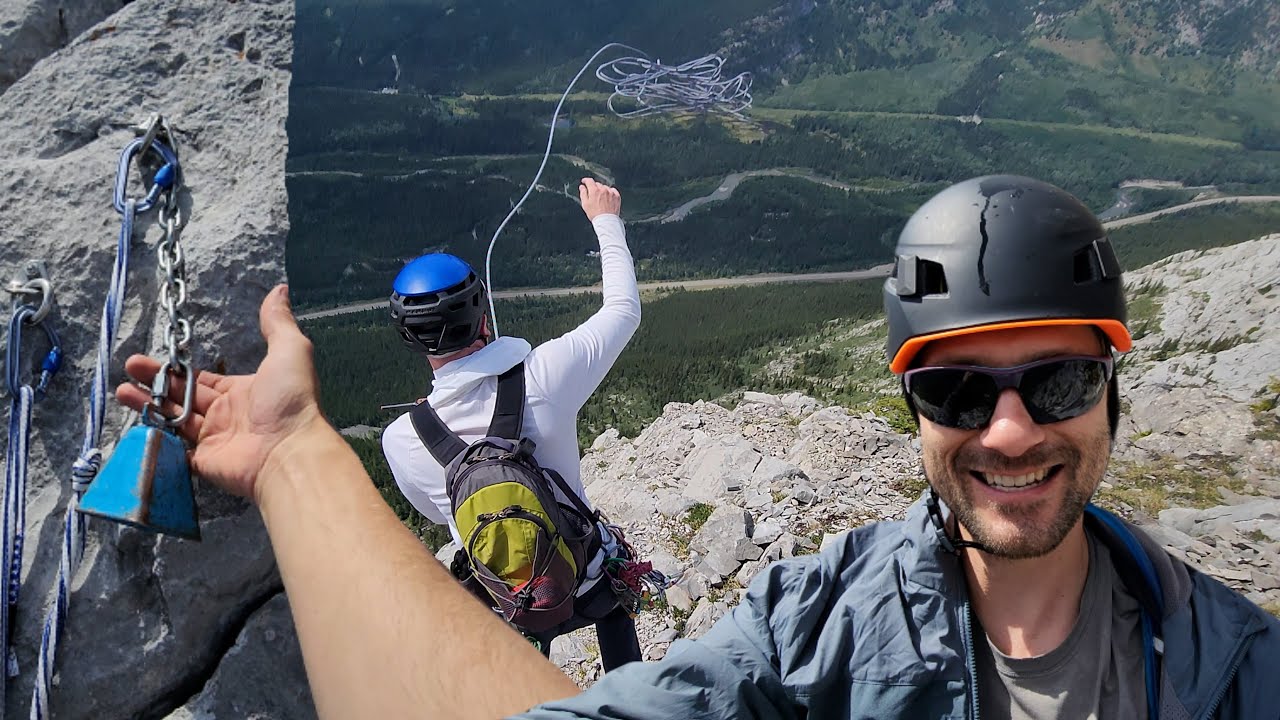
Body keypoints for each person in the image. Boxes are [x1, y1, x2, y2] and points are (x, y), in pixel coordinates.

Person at [116, 175, 1280, 720]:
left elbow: (435, 520)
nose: (1011, 428)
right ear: (911, 410)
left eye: (1061, 379)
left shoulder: (417, 447)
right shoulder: (806, 629)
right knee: (620, 608)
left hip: (509, 591)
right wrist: (608, 227)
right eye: (959, 389)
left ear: (1112, 386)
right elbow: (620, 316)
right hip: (595, 571)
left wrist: (306, 461)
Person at [379, 177, 643, 669]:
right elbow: (623, 311)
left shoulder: (402, 439)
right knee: (611, 588)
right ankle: (631, 696)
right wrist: (606, 220)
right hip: (585, 581)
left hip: (508, 601)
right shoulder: (543, 376)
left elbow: (444, 516)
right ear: (482, 316)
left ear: (410, 339)